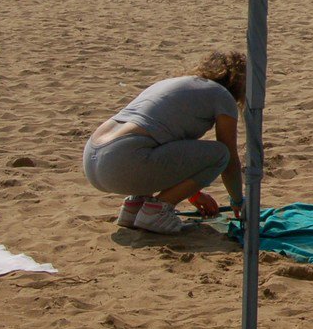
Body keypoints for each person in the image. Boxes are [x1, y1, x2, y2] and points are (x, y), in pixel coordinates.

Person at [82, 51, 247, 234]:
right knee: (220, 154)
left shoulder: (177, 84)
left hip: (93, 158)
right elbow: (229, 158)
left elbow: (172, 154)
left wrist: (194, 194)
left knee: (153, 142)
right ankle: (156, 211)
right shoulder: (222, 96)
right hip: (123, 161)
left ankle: (135, 206)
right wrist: (238, 200)